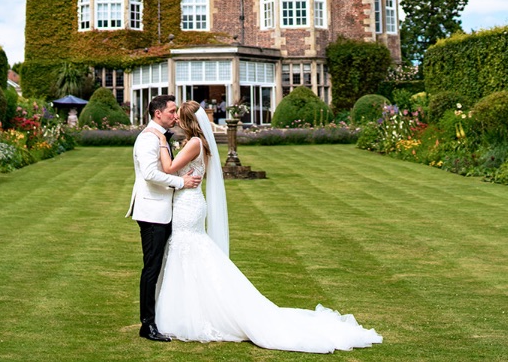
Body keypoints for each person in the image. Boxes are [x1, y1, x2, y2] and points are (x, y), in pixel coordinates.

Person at [153, 101, 383, 352]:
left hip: (188, 204)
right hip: (189, 201)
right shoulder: (197, 143)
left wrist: (162, 141)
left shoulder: (195, 143)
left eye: (179, 116)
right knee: (189, 251)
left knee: (188, 248)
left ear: (188, 120)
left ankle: (199, 313)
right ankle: (194, 309)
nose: (175, 119)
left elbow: (169, 168)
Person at [126, 94, 202, 342]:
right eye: (171, 111)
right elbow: (149, 173)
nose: (175, 115)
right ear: (157, 113)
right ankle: (147, 324)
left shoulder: (160, 137)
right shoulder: (148, 138)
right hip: (152, 212)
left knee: (161, 266)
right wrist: (181, 182)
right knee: (152, 267)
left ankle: (161, 316)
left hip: (164, 210)